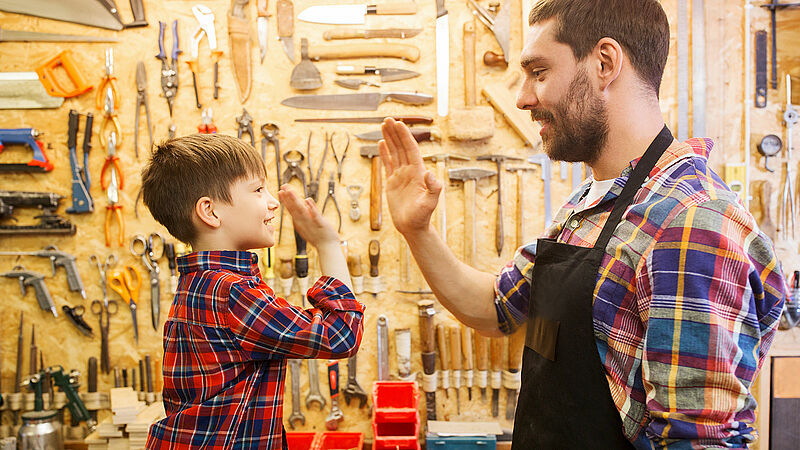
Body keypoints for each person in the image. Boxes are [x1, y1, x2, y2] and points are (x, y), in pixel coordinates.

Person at [378, 0, 786, 448]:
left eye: (539, 72)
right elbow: (497, 309)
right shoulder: (590, 205)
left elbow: (696, 442)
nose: (522, 97)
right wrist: (417, 231)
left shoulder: (689, 224)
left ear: (605, 63)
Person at [140, 134, 365, 449]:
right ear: (210, 212)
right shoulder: (232, 294)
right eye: (258, 189)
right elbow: (341, 336)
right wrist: (327, 244)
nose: (272, 200)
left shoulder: (201, 283)